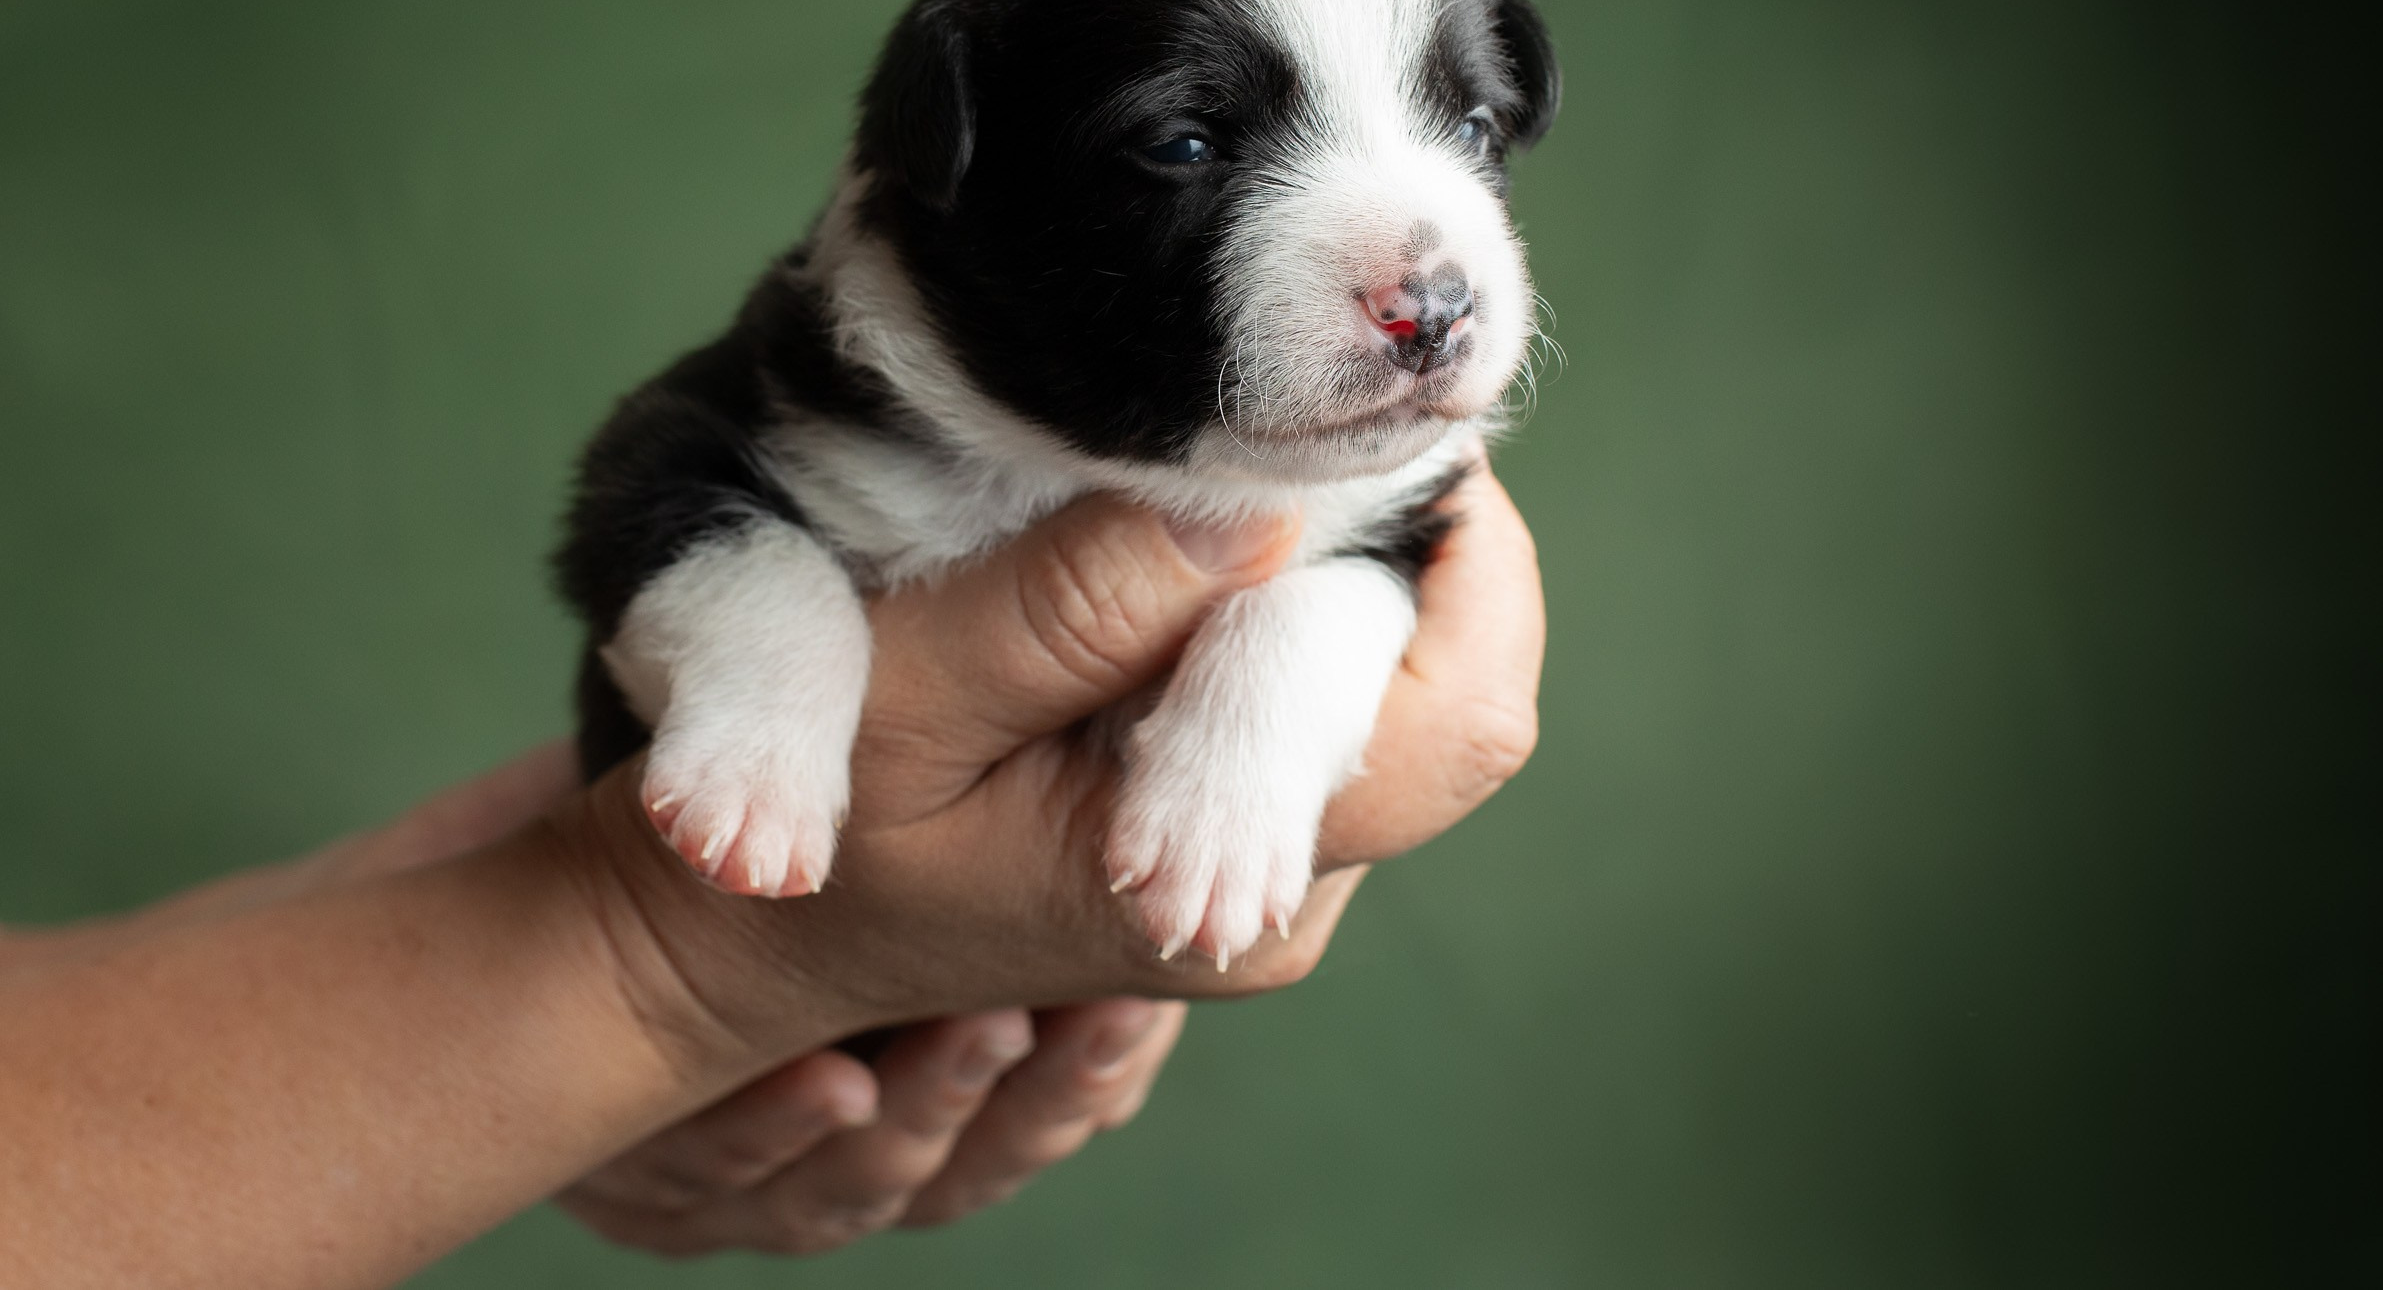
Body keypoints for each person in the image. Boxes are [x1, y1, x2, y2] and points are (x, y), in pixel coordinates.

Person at [0, 462, 1543, 1287]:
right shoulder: (820, 395)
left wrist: (521, 1026)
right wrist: (654, 976)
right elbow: (662, 517)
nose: (1423, 286)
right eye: (1187, 147)